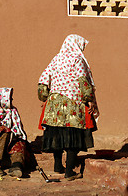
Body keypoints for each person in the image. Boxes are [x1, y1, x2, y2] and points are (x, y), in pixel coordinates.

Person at [38, 34, 99, 181]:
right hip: (73, 102)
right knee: (74, 136)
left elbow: (43, 80)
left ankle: (58, 166)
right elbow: (83, 81)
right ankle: (69, 172)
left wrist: (44, 98)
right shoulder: (77, 59)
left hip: (54, 103)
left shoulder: (56, 59)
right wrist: (89, 99)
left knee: (57, 135)